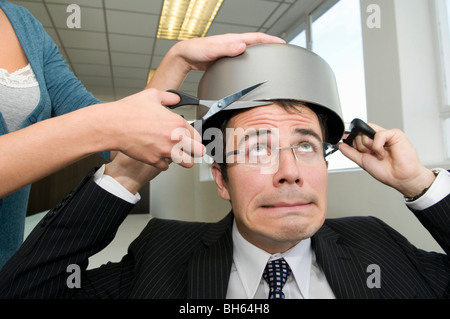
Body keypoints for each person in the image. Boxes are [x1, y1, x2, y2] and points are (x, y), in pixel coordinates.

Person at [0, 44, 448, 299]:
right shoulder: (163, 253)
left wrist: (419, 185)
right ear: (221, 178)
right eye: (257, 149)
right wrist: (128, 172)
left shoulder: (377, 243)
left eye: (306, 146)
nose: (289, 171)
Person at [0, 0, 285, 269]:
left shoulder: (25, 25)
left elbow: (117, 144)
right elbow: (110, 129)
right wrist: (104, 127)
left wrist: (178, 60)